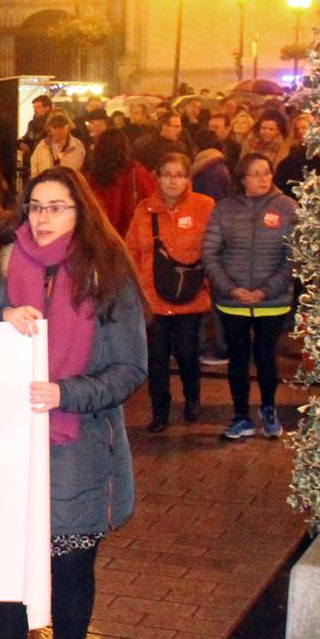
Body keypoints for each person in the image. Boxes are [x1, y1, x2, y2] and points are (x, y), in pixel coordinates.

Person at [0, 166, 146, 639]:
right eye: (35, 206)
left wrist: (67, 393)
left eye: (57, 207)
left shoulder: (106, 274)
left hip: (77, 450)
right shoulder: (6, 266)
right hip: (9, 446)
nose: (42, 217)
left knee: (69, 577)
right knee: (5, 581)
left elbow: (129, 369)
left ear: (80, 211)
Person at [202, 154, 298, 441]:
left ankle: (269, 409)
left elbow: (294, 257)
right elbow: (210, 252)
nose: (262, 178)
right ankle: (241, 414)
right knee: (238, 359)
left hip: (272, 301)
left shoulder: (287, 208)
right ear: (242, 177)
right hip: (233, 302)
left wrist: (265, 290)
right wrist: (231, 288)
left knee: (267, 357)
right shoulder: (224, 209)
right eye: (255, 173)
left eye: (266, 172)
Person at [125, 154, 216, 432]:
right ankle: (160, 411)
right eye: (167, 174)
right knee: (156, 358)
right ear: (158, 176)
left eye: (179, 174)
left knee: (188, 354)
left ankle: (192, 400)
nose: (173, 180)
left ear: (189, 178)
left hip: (191, 297)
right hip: (153, 299)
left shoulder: (204, 206)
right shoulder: (144, 209)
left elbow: (213, 248)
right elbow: (131, 250)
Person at [84, 129, 156, 237]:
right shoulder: (135, 171)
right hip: (131, 233)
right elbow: (152, 198)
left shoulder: (93, 174)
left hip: (104, 235)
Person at [29, 111, 87, 177]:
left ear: (68, 126)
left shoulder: (77, 146)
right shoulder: (42, 146)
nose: (58, 130)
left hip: (69, 185)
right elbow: (35, 171)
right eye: (55, 127)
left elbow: (82, 171)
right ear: (50, 128)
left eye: (61, 127)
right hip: (47, 184)